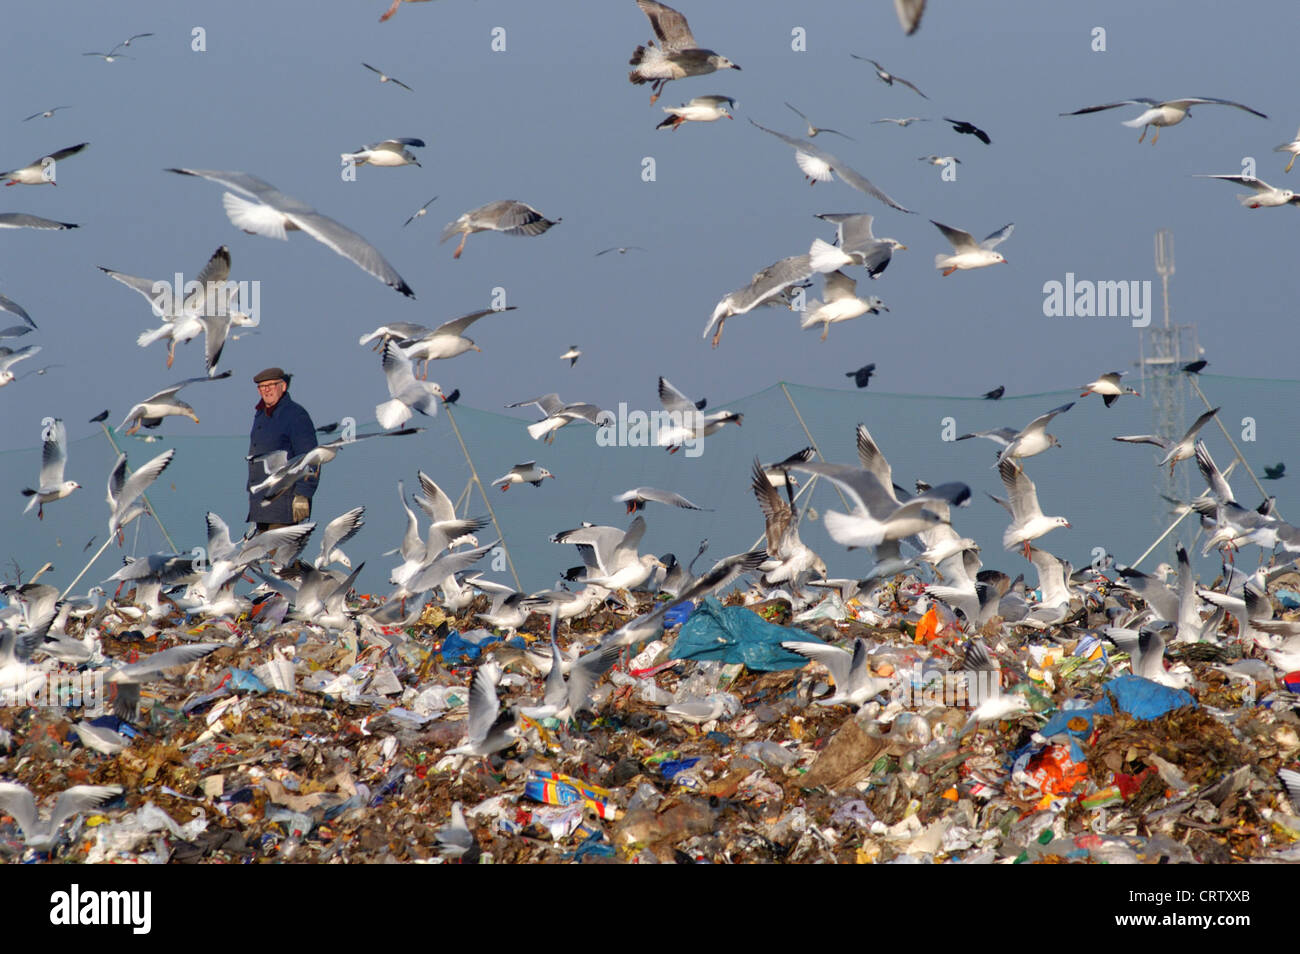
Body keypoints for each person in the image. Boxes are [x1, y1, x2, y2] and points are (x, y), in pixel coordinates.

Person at [247, 367, 318, 532]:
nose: (266, 390)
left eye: (271, 385)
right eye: (262, 387)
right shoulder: (261, 415)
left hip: (285, 502)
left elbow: (311, 457)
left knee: (281, 556)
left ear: (283, 386)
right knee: (264, 556)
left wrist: (303, 494)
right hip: (261, 503)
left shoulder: (296, 415)